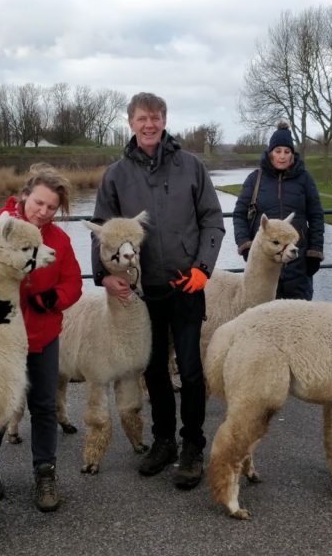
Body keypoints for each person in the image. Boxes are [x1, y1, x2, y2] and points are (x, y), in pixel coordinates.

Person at [91, 92, 224, 490]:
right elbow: (101, 228)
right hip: (141, 291)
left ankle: (192, 445)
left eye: (156, 117)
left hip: (185, 284)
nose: (149, 125)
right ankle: (164, 439)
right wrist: (102, 275)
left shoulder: (191, 167)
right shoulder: (116, 175)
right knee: (153, 370)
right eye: (141, 118)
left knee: (191, 367)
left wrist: (203, 268)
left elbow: (212, 221)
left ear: (165, 121)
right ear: (130, 123)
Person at [0, 164, 83, 511]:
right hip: (1, 341)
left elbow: (73, 283)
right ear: (25, 196)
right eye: (39, 203)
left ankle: (45, 473)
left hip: (41, 337)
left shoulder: (58, 240)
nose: (43, 212)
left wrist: (54, 299)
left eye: (51, 208)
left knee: (43, 405)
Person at [233, 122, 325, 300]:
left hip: (297, 264)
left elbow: (316, 216)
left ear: (292, 154)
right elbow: (239, 215)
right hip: (263, 263)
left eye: (287, 151)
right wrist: (245, 245)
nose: (282, 156)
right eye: (278, 151)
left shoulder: (305, 179)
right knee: (261, 317)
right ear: (270, 153)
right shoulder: (255, 179)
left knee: (297, 319)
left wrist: (315, 252)